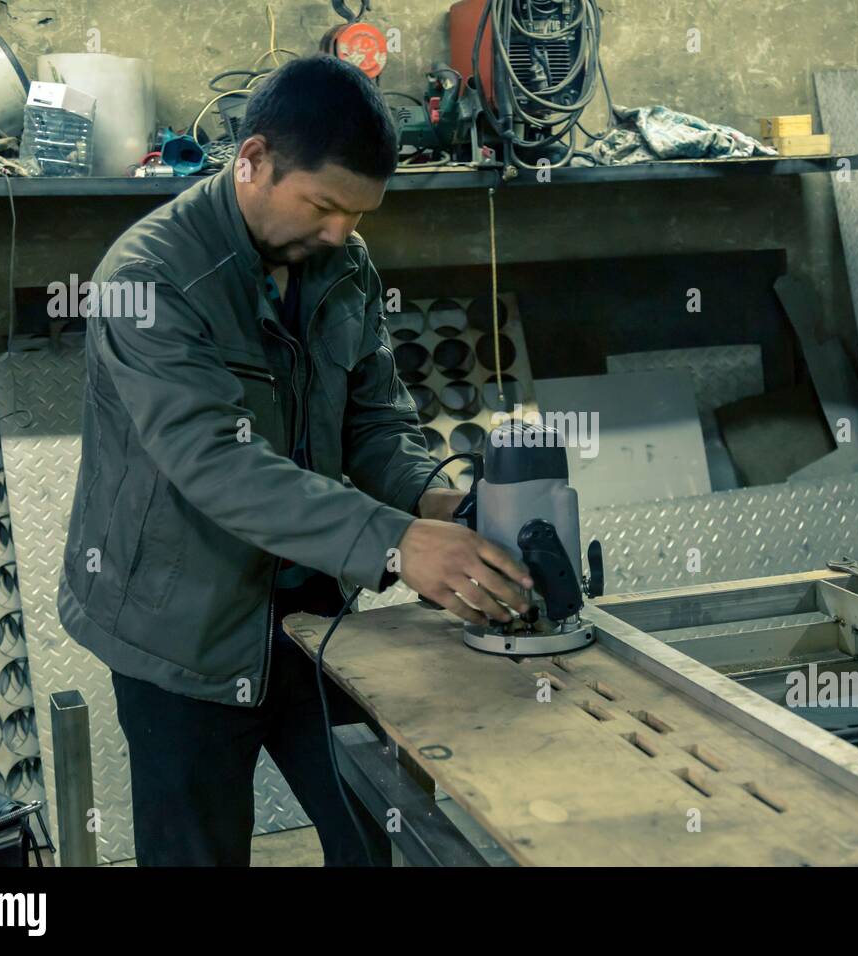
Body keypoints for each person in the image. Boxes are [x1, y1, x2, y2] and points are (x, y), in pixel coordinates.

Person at [57, 55, 533, 865]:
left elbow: (375, 420)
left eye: (358, 215)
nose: (340, 233)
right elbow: (216, 464)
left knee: (381, 830)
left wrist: (433, 501)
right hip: (183, 633)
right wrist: (393, 542)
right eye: (323, 205)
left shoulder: (340, 266)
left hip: (312, 617)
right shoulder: (148, 281)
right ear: (254, 160)